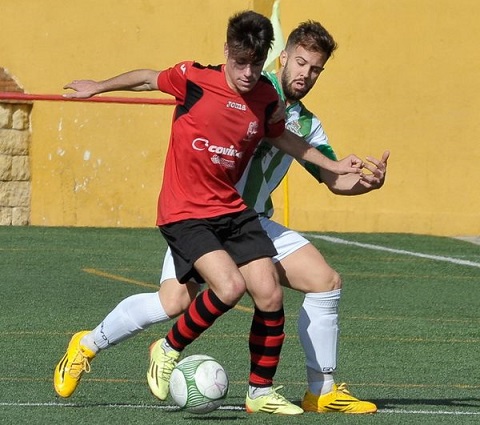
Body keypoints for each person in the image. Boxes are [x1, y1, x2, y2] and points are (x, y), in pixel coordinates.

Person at [53, 11, 363, 416]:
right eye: (301, 62)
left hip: (244, 218)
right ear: (282, 58)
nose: (306, 74)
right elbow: (150, 77)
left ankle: (311, 391)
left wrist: (353, 175)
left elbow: (310, 159)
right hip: (194, 212)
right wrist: (98, 86)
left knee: (316, 282)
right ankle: (89, 344)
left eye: (316, 69)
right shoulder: (208, 79)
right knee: (175, 302)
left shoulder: (287, 113)